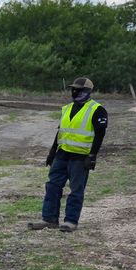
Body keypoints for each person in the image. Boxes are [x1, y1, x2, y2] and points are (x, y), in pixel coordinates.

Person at [29, 77, 107, 232]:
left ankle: (71, 221)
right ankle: (49, 219)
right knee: (52, 186)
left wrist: (92, 156)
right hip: (62, 155)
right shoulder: (67, 108)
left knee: (76, 190)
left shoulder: (97, 110)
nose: (74, 92)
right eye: (73, 89)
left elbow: (100, 135)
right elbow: (61, 132)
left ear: (88, 91)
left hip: (80, 157)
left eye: (78, 89)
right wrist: (52, 152)